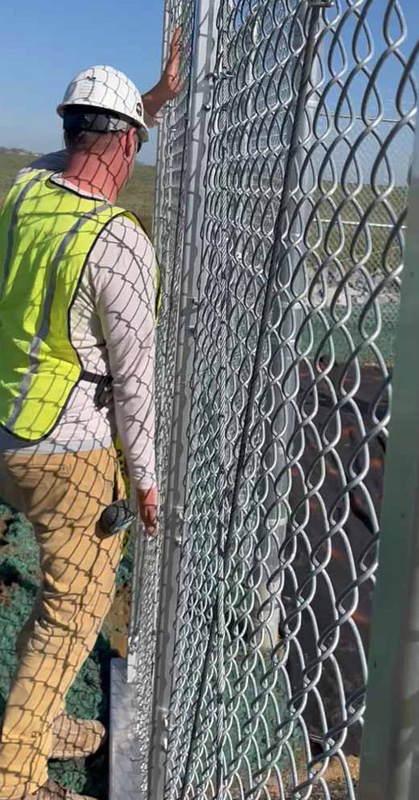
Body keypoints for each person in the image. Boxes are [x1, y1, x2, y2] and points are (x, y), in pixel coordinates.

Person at [0, 31, 181, 800]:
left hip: (8, 427)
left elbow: (90, 141)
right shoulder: (119, 245)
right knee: (70, 614)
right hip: (66, 452)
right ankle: (15, 774)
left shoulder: (24, 190)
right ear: (132, 143)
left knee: (70, 599)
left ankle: (40, 724)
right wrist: (146, 481)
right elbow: (136, 385)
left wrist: (151, 100)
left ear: (69, 129)